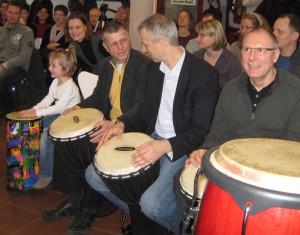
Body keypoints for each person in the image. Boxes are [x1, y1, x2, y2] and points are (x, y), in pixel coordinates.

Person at [85, 13, 220, 234]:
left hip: (179, 145)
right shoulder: (153, 69)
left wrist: (164, 146)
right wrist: (121, 124)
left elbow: (201, 130)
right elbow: (145, 111)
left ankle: (178, 227)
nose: (144, 50)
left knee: (153, 204)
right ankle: (146, 222)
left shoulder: (203, 75)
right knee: (94, 176)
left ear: (163, 43)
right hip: (151, 137)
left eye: (146, 44)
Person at [42, 21, 150, 235]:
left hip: (131, 127)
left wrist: (117, 123)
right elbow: (99, 98)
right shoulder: (105, 66)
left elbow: (142, 106)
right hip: (108, 122)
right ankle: (74, 201)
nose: (120, 47)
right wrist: (78, 106)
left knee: (96, 150)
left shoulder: (143, 64)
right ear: (106, 46)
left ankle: (88, 211)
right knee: (66, 140)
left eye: (123, 41)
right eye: (114, 44)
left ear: (129, 39)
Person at [19, 47, 81, 189]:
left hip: (69, 119)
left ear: (65, 69)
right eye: (50, 64)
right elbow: (47, 100)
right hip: (58, 116)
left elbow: (59, 108)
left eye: (53, 65)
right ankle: (30, 164)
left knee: (46, 136)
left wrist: (37, 113)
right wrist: (33, 109)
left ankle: (46, 174)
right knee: (34, 126)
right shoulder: (55, 82)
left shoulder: (69, 87)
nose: (49, 68)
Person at [0, 0, 34, 116]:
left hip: (18, 67)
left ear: (20, 15)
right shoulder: (1, 31)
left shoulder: (26, 31)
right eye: (10, 12)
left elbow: (24, 58)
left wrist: (4, 65)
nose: (12, 16)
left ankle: (8, 112)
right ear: (5, 12)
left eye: (16, 13)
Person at [194, 19, 242, 87]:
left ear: (214, 37)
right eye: (198, 35)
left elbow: (235, 90)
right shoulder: (196, 57)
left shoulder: (232, 62)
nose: (197, 39)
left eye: (202, 35)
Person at [65, 12, 110, 78]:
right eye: (71, 28)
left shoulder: (99, 42)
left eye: (77, 27)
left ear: (85, 27)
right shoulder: (73, 47)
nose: (74, 31)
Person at [40, 5, 70, 87]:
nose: (57, 16)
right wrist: (48, 46)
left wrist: (56, 48)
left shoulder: (68, 31)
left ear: (65, 17)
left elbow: (66, 48)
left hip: (60, 61)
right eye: (55, 14)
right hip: (47, 59)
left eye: (60, 14)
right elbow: (42, 47)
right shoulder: (49, 29)